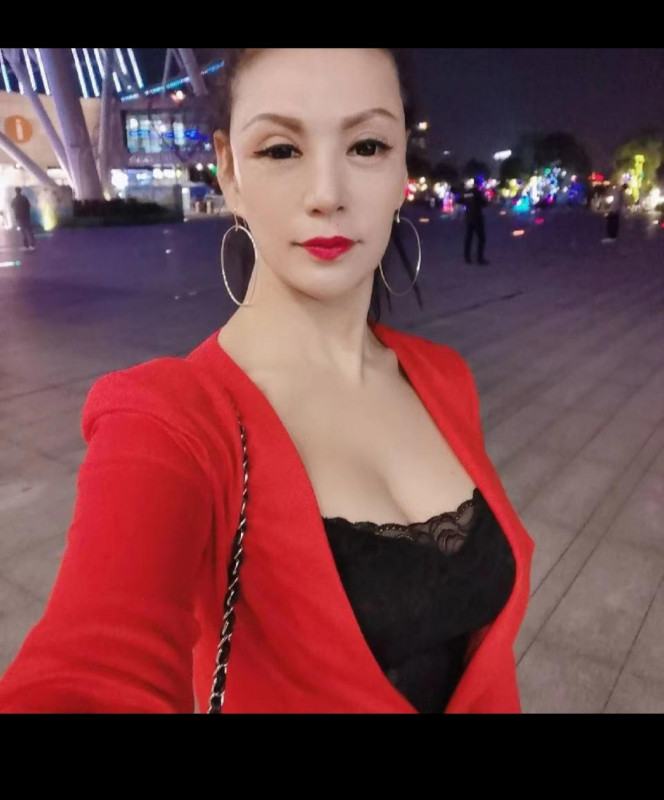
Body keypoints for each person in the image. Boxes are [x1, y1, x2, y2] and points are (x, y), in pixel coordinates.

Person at [0, 49, 534, 714]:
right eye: (281, 150)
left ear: (402, 167)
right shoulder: (172, 423)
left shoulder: (445, 378)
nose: (326, 194)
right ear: (229, 171)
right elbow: (89, 670)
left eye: (367, 146)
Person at [461, 180, 489, 264]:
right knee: (481, 238)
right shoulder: (477, 192)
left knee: (469, 237)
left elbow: (462, 200)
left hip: (468, 216)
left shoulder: (468, 192)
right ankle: (479, 258)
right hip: (477, 217)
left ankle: (467, 257)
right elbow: (484, 203)